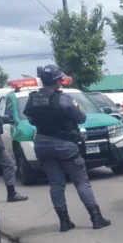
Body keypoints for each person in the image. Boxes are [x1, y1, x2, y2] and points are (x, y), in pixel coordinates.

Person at [22, 65, 111, 232]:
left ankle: (64, 221)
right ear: (57, 81)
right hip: (64, 144)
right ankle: (96, 217)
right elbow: (81, 118)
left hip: (42, 144)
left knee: (56, 184)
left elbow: (31, 120)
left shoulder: (33, 98)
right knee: (81, 181)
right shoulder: (64, 99)